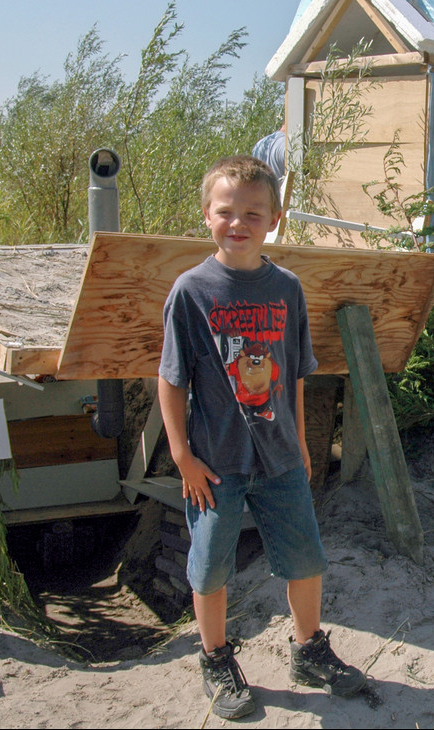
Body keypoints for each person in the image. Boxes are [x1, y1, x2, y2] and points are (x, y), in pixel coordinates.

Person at [158, 155, 366, 720]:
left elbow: (295, 372)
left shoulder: (287, 289)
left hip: (279, 458)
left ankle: (309, 652)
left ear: (273, 218)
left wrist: (300, 443)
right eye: (226, 211)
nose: (238, 223)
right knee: (211, 567)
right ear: (207, 215)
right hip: (215, 462)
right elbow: (171, 380)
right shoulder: (192, 291)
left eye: (253, 212)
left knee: (305, 558)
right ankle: (216, 660)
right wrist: (182, 457)